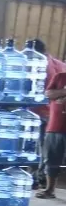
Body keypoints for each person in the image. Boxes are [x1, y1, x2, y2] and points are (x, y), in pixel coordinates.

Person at [37, 66, 66, 198]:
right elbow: (48, 94)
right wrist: (63, 92)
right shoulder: (60, 77)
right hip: (55, 125)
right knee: (51, 159)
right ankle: (49, 190)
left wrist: (60, 95)